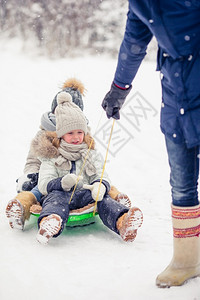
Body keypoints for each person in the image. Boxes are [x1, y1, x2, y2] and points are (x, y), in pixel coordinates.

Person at [101, 1, 200, 288]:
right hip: (175, 95)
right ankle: (186, 261)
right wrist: (119, 88)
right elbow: (134, 41)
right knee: (181, 183)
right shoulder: (141, 3)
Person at [5, 78, 131, 230]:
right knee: (36, 191)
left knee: (102, 184)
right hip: (46, 178)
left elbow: (95, 165)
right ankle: (21, 207)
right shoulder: (44, 134)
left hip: (79, 179)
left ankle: (118, 201)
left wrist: (96, 181)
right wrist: (33, 175)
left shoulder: (81, 134)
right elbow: (33, 161)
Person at [30, 91, 143, 244]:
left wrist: (100, 184)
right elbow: (43, 184)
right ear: (61, 135)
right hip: (60, 195)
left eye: (80, 132)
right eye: (70, 133)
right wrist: (62, 183)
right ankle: (50, 223)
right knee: (54, 200)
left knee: (104, 199)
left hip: (84, 194)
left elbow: (101, 172)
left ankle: (122, 222)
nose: (76, 137)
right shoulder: (53, 155)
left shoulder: (90, 153)